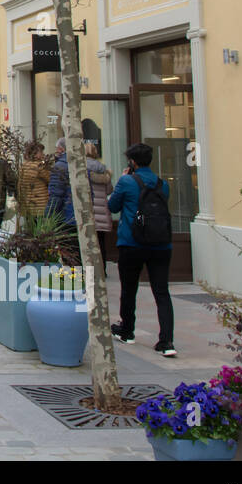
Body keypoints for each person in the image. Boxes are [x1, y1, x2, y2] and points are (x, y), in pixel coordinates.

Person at [107, 142, 175, 356]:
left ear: (132, 162)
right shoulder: (162, 184)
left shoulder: (126, 181)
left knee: (129, 289)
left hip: (132, 243)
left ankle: (127, 330)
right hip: (161, 244)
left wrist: (123, 178)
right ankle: (166, 341)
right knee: (162, 291)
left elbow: (113, 206)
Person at [85, 140, 114, 243]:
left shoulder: (81, 170)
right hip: (101, 210)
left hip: (87, 210)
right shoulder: (103, 170)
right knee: (101, 243)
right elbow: (109, 190)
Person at [44, 138, 75, 228]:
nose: (56, 151)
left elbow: (55, 195)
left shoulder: (59, 167)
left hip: (65, 214)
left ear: (61, 149)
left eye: (56, 148)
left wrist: (48, 214)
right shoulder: (80, 164)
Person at [17, 141, 51, 219]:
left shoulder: (24, 165)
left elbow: (20, 185)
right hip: (41, 203)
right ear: (35, 153)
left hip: (28, 203)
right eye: (41, 152)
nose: (43, 153)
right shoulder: (40, 166)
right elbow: (49, 179)